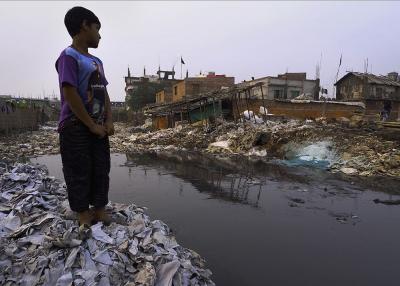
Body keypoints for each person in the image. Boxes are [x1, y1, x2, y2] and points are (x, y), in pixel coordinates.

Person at [55, 7, 114, 231]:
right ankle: (82, 212)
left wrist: (109, 121)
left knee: (101, 168)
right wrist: (90, 124)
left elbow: (104, 93)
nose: (100, 35)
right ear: (84, 25)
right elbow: (69, 92)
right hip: (75, 125)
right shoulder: (68, 56)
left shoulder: (97, 61)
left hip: (98, 127)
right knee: (78, 170)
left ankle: (99, 208)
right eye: (97, 29)